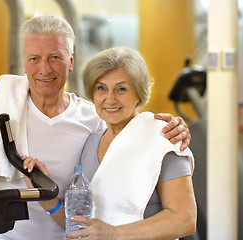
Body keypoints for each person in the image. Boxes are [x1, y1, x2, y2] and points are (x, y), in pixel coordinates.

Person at [0, 15, 192, 240]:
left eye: (55, 57)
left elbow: (183, 218)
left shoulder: (96, 121)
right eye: (34, 59)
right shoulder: (5, 108)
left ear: (70, 61)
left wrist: (173, 127)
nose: (44, 68)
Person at [24, 47, 196, 240]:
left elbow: (185, 219)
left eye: (121, 89)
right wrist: (45, 195)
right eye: (101, 88)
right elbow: (82, 225)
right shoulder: (91, 142)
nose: (110, 99)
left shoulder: (163, 138)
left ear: (138, 93)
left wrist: (113, 234)